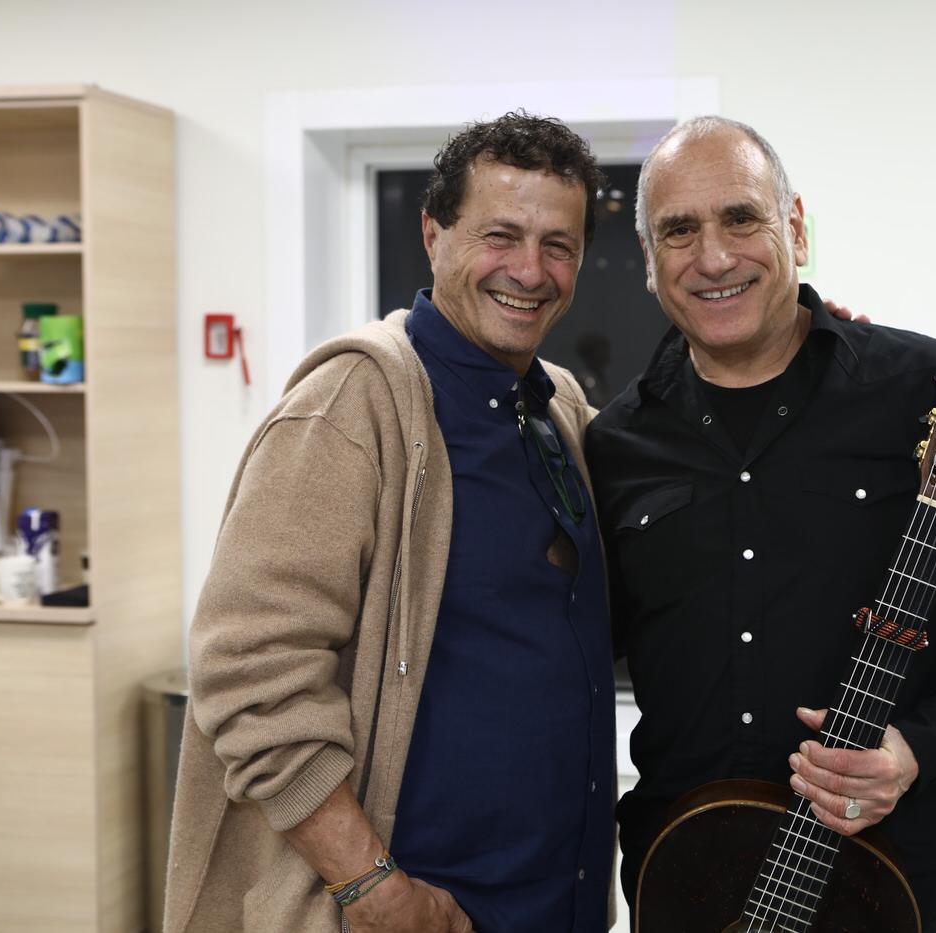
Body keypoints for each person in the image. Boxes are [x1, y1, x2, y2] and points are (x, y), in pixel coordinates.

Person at [584, 116, 936, 931]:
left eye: (742, 217)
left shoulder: (927, 394)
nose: (714, 256)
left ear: (797, 229)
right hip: (686, 886)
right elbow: (577, 649)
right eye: (679, 230)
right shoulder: (616, 443)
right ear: (648, 256)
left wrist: (914, 749)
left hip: (890, 885)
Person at [166, 112, 616, 933]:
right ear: (433, 234)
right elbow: (247, 668)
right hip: (412, 911)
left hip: (557, 898)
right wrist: (371, 887)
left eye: (559, 245)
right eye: (500, 235)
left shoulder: (558, 409)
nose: (530, 270)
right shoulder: (352, 406)